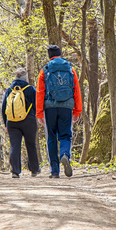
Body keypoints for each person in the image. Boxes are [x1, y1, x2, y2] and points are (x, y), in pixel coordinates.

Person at [36, 45, 82, 178]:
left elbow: (40, 93)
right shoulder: (70, 69)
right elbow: (76, 90)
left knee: (51, 138)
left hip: (50, 108)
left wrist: (39, 113)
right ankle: (65, 155)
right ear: (60, 54)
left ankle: (54, 171)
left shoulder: (45, 70)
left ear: (49, 56)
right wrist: (77, 111)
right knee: (65, 135)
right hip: (66, 107)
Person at [1, 68, 41, 178]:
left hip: (12, 122)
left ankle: (15, 171)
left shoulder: (9, 90)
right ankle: (34, 169)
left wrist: (6, 123)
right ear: (25, 78)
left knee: (14, 145)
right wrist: (38, 117)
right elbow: (37, 105)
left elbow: (3, 107)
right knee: (31, 144)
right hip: (28, 120)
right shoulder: (30, 89)